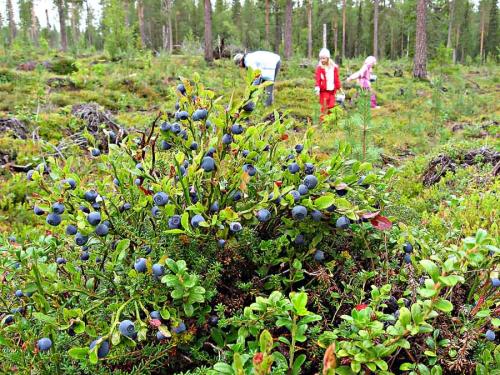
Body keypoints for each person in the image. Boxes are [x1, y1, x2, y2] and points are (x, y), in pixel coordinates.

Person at [314, 48, 341, 122]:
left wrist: (339, 88)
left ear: (328, 58)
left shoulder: (334, 68)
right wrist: (317, 87)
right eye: (321, 58)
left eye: (323, 58)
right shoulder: (319, 68)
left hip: (332, 91)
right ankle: (323, 122)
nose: (322, 60)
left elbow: (336, 78)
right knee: (324, 107)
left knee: (332, 106)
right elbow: (318, 79)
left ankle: (330, 121)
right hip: (324, 91)